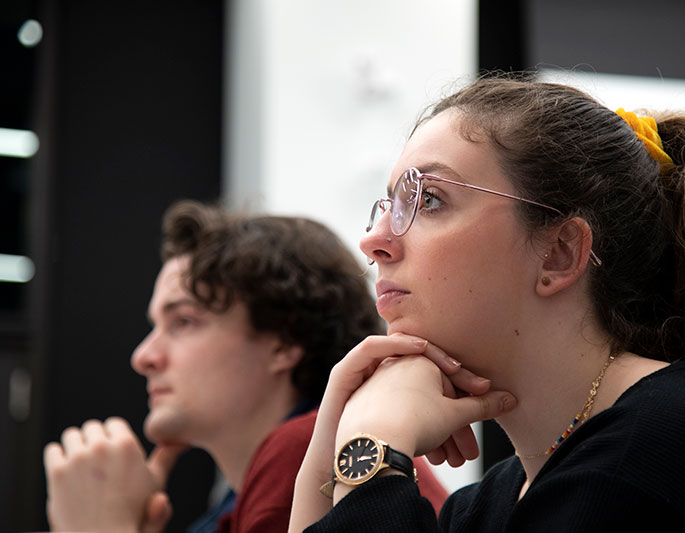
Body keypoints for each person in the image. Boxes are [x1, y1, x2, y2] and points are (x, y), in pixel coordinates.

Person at [290, 74, 685, 532]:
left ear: (558, 253)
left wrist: (372, 448)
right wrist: (334, 435)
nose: (375, 240)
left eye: (428, 200)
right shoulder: (489, 504)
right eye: (388, 205)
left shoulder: (665, 448)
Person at [43, 200, 449, 532]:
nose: (144, 356)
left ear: (284, 340)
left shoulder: (305, 449)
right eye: (155, 326)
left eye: (183, 322)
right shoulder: (238, 498)